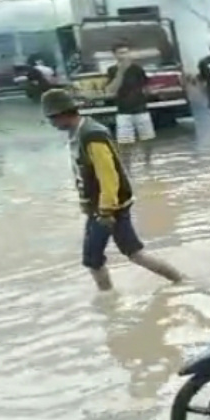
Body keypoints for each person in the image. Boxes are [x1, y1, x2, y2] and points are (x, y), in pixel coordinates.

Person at [41, 88, 184, 291]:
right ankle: (179, 279)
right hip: (106, 206)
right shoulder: (81, 132)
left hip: (106, 208)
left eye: (52, 119)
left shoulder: (91, 135)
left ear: (63, 114)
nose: (52, 124)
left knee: (93, 258)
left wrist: (106, 210)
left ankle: (108, 301)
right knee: (133, 253)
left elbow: (108, 175)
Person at [105, 42, 155, 145]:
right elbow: (111, 90)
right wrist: (121, 72)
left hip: (141, 109)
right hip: (123, 111)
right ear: (115, 55)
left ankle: (148, 161)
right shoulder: (112, 70)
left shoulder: (137, 69)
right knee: (125, 143)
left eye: (126, 52)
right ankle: (128, 161)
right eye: (121, 53)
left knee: (148, 140)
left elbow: (146, 86)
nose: (124, 55)